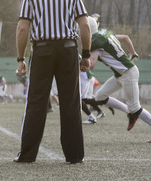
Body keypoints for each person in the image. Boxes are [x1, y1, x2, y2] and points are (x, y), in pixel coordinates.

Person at [14, 0, 91, 164]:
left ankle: (27, 155)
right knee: (70, 102)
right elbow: (84, 24)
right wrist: (85, 54)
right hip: (68, 49)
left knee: (36, 102)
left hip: (42, 50)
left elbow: (22, 27)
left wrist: (20, 58)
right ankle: (75, 155)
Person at [87, 17, 151, 139]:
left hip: (128, 73)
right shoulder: (104, 33)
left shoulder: (95, 41)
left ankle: (132, 112)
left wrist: (80, 63)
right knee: (100, 96)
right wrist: (132, 52)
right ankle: (129, 113)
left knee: (135, 107)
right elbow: (126, 38)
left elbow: (92, 64)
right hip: (121, 74)